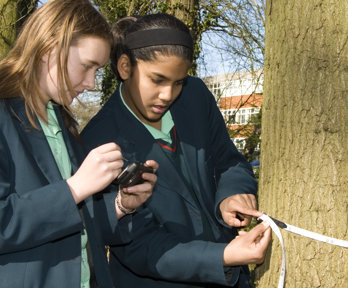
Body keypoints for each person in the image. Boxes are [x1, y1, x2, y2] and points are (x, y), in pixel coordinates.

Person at [81, 13, 271, 288]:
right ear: (125, 67)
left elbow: (228, 160)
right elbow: (139, 247)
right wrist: (222, 257)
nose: (168, 94)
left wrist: (230, 196)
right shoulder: (98, 141)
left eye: (178, 81)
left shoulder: (195, 96)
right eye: (157, 80)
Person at [0, 1, 157, 287]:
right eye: (87, 67)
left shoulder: (62, 121)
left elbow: (77, 225)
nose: (92, 83)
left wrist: (121, 206)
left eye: (97, 71)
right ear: (49, 48)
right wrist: (75, 188)